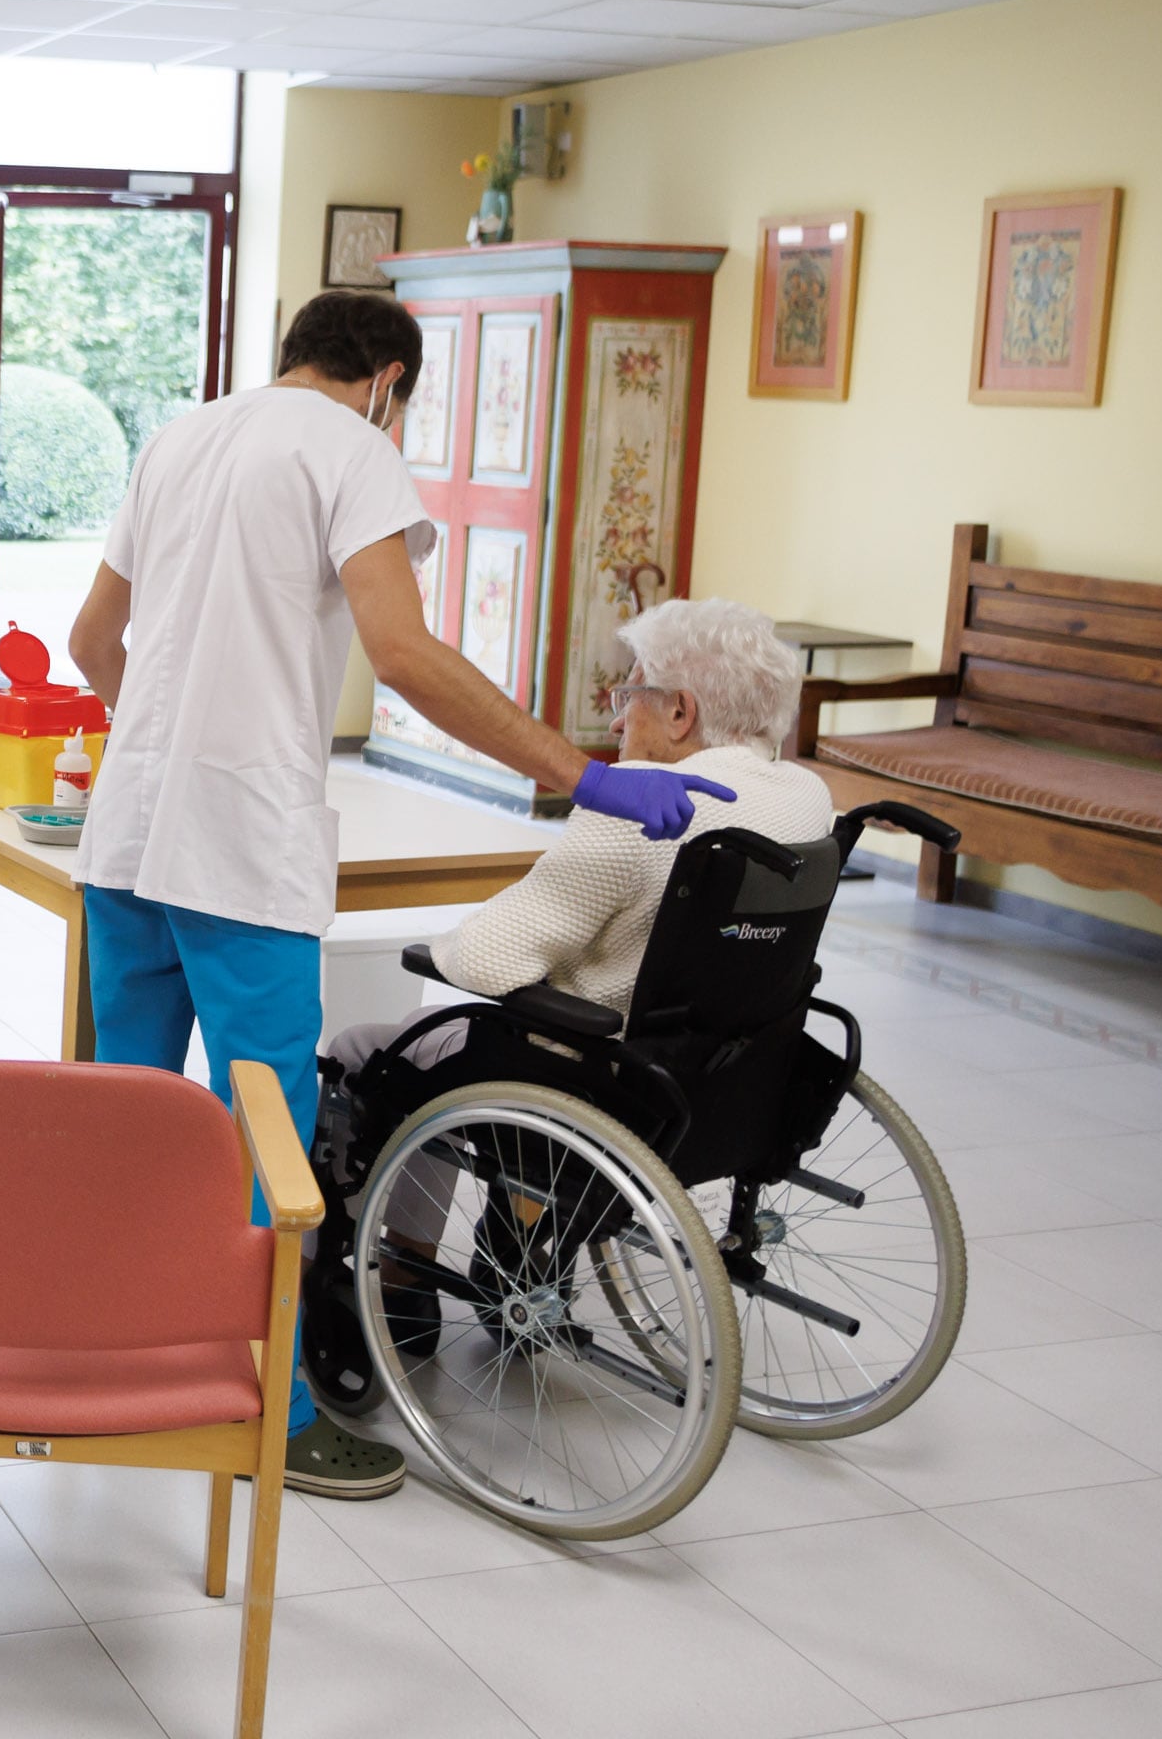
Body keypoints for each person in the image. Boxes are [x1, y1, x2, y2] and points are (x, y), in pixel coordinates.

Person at [65, 288, 733, 1503]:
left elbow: (90, 641)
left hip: (125, 836)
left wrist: (164, 737)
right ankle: (280, 1416)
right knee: (264, 1140)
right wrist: (581, 773)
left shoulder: (180, 435)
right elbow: (404, 653)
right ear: (387, 381)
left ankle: (114, 1363)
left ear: (288, 358)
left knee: (130, 1118)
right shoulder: (352, 450)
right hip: (236, 852)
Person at [304, 597, 836, 1412]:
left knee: (371, 1051)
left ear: (681, 710)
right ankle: (516, 1241)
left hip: (590, 1072)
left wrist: (440, 949)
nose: (619, 713)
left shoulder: (645, 801)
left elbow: (485, 961)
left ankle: (404, 1275)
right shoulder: (806, 799)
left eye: (631, 692)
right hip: (723, 1080)